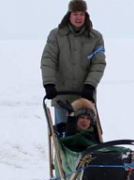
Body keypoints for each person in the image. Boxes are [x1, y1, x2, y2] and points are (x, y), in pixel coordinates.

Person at [41, 0, 106, 135]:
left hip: (84, 97)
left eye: (82, 14)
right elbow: (48, 60)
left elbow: (98, 63)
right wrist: (49, 84)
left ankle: (89, 156)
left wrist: (90, 85)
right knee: (62, 134)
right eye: (75, 13)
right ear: (69, 15)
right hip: (61, 94)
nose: (78, 17)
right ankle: (61, 155)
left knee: (87, 134)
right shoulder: (56, 35)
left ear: (86, 16)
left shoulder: (95, 37)